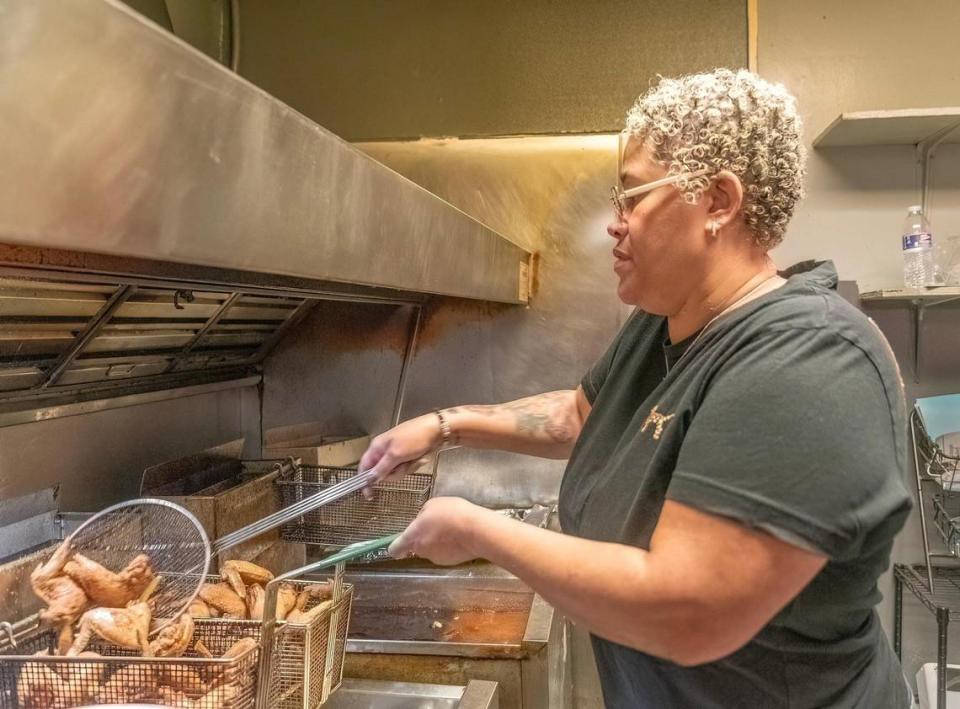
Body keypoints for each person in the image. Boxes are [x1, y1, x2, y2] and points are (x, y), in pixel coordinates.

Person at [360, 69, 913, 708]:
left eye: (633, 197)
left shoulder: (809, 358)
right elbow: (578, 414)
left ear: (720, 202)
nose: (614, 224)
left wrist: (477, 530)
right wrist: (443, 425)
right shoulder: (663, 318)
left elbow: (687, 612)